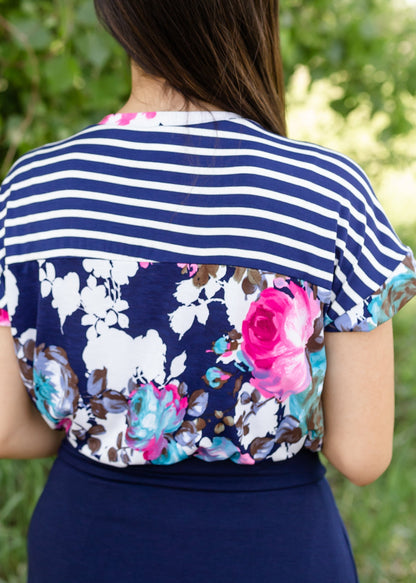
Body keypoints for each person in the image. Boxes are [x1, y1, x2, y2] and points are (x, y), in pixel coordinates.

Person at [0, 1, 415, 581]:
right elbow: (363, 455)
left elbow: (8, 425)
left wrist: (113, 428)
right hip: (272, 547)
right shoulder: (327, 191)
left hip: (87, 542)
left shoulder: (33, 188)